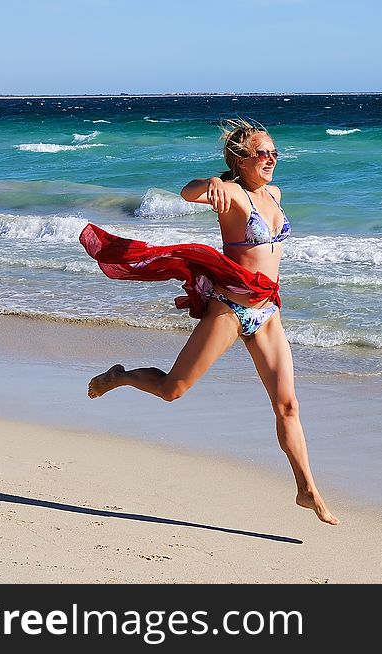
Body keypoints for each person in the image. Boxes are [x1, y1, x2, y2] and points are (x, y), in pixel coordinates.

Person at [84, 118, 338, 525]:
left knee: (288, 405)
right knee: (172, 389)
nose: (271, 159)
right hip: (231, 310)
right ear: (240, 160)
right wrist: (211, 183)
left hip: (268, 312)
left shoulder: (273, 192)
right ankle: (120, 376)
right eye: (262, 153)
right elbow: (188, 193)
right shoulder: (234, 193)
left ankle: (306, 489)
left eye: (274, 152)